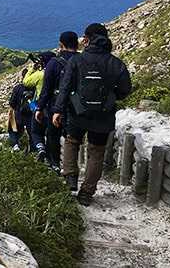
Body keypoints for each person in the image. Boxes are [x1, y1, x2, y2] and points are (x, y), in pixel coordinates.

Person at [52, 23, 132, 206]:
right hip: (104, 115)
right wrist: (111, 97)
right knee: (96, 152)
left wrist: (58, 110)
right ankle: (87, 193)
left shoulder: (76, 60)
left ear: (87, 39)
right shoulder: (115, 63)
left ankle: (70, 179)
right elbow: (126, 89)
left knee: (72, 142)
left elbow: (65, 88)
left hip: (77, 112)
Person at [33, 32, 80, 171]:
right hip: (78, 106)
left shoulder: (54, 63)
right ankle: (72, 168)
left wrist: (39, 108)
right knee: (73, 137)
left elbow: (46, 90)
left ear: (61, 44)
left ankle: (54, 165)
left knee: (53, 135)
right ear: (77, 44)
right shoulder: (83, 60)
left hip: (56, 105)